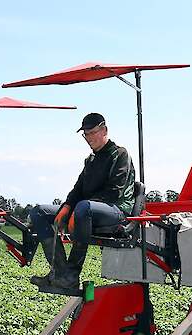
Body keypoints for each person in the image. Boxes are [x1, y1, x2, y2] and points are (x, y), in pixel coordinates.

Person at [28, 113, 136, 291]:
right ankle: (60, 273)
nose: (89, 138)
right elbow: (78, 189)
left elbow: (114, 192)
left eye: (93, 133)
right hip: (87, 209)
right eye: (86, 134)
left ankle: (72, 273)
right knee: (39, 211)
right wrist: (67, 207)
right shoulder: (91, 160)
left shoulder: (120, 154)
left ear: (104, 131)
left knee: (83, 206)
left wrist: (78, 211)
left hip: (117, 210)